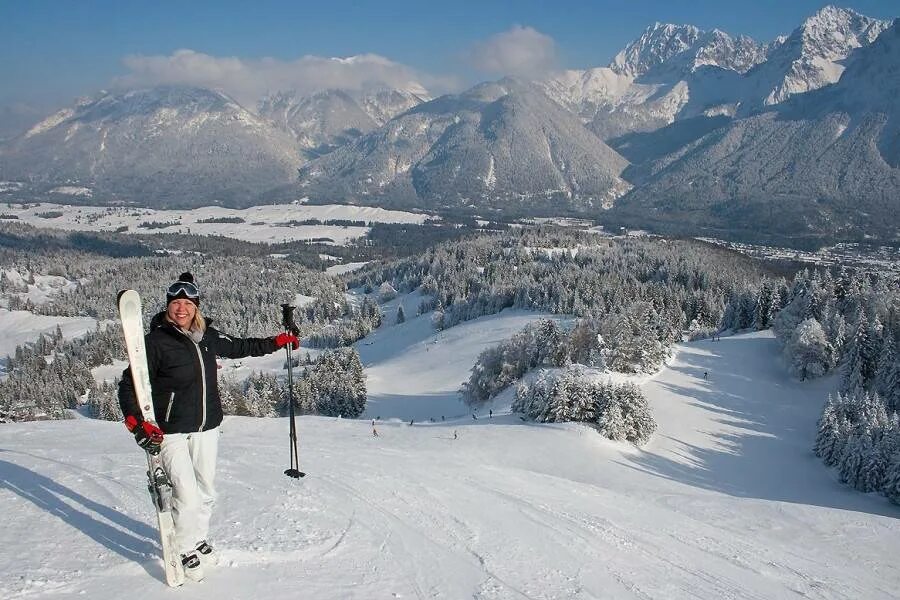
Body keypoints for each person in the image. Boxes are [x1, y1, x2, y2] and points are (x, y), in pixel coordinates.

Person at [118, 272, 298, 582]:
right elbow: (128, 383)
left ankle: (197, 538)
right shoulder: (156, 342)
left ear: (196, 307)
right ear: (167, 307)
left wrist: (277, 341)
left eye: (188, 303)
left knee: (206, 490)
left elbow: (242, 346)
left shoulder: (207, 336)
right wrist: (136, 423)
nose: (182, 309)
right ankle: (184, 548)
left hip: (207, 426)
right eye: (176, 303)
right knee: (186, 493)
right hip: (170, 430)